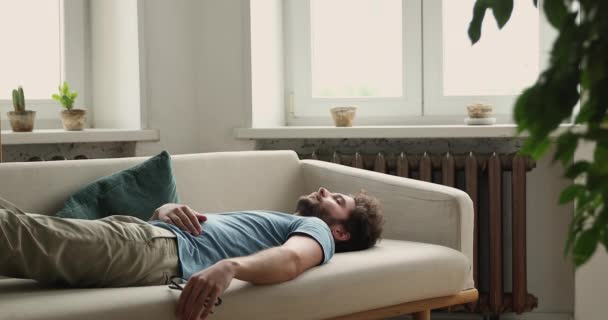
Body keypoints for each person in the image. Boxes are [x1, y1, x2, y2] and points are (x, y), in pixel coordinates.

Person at [0, 187, 384, 320]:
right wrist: (164, 211)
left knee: (16, 233)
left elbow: (292, 261)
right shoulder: (285, 219)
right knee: (18, 225)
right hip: (148, 234)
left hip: (158, 250)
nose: (323, 191)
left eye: (336, 200)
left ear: (340, 231)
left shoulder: (317, 232)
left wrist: (229, 268)